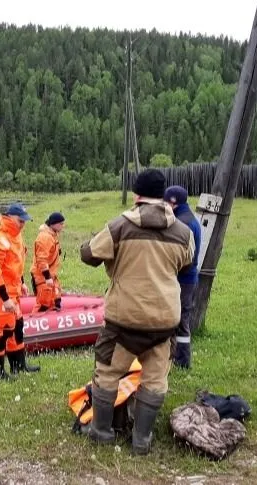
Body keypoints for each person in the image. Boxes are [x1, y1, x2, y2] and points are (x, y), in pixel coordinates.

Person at [80, 169, 194, 454]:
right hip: (164, 322)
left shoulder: (119, 226)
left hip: (124, 322)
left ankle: (102, 432)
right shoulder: (184, 232)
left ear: (136, 195)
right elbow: (187, 266)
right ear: (164, 196)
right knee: (155, 380)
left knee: (107, 374)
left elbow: (88, 255)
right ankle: (142, 440)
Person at [0, 203, 40, 379]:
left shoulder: (16, 235)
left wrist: (21, 282)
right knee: (4, 329)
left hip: (13, 289)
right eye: (20, 221)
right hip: (0, 292)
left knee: (17, 326)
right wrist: (5, 298)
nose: (23, 224)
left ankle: (18, 365)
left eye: (24, 221)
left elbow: (15, 263)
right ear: (9, 217)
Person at [164, 185, 202, 369]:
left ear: (173, 202)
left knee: (180, 320)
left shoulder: (183, 224)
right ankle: (177, 357)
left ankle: (182, 361)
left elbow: (186, 258)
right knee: (180, 318)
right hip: (187, 278)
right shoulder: (188, 218)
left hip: (183, 279)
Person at [31, 212, 65, 312]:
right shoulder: (45, 237)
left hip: (51, 274)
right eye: (61, 224)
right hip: (42, 276)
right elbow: (41, 259)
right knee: (43, 304)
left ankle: (54, 323)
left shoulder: (53, 235)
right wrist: (47, 277)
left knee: (56, 300)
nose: (62, 226)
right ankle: (35, 323)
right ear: (53, 224)